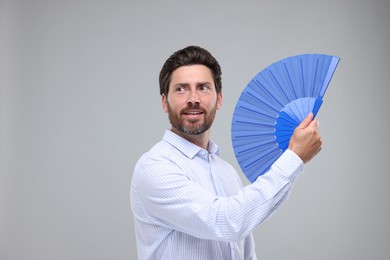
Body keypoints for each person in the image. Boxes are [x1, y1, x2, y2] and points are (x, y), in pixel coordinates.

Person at [130, 45, 322, 259]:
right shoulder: (155, 167)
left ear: (219, 99)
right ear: (165, 102)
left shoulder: (227, 172)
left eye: (203, 87)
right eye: (181, 89)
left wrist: (293, 160)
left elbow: (246, 252)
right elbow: (227, 220)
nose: (193, 98)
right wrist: (294, 157)